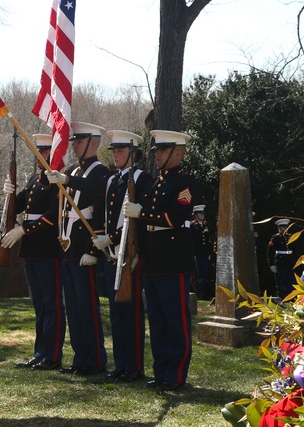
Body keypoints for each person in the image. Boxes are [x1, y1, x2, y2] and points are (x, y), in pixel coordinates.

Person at [123, 129, 199, 392]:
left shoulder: (184, 183)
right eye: (156, 151)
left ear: (178, 152)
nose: (157, 156)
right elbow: (146, 225)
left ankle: (177, 375)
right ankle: (162, 372)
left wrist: (142, 212)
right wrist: (138, 254)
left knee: (175, 319)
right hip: (153, 259)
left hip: (173, 259)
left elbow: (175, 218)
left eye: (163, 151)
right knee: (156, 318)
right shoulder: (157, 182)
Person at [46, 121, 110, 376]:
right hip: (68, 246)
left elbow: (97, 193)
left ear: (93, 143)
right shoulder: (73, 169)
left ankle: (95, 359)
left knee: (87, 307)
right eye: (74, 142)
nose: (75, 147)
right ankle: (80, 357)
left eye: (80, 142)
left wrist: (92, 251)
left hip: (85, 246)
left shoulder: (99, 171)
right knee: (73, 306)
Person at [1, 133, 65, 371]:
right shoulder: (33, 179)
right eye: (38, 151)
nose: (41, 156)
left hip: (48, 248)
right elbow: (17, 205)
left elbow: (51, 217)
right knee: (39, 304)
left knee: (52, 304)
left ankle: (53, 355)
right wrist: (8, 191)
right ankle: (40, 352)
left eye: (45, 151)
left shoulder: (57, 181)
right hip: (31, 250)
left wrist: (23, 230)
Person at [95, 130, 153, 383]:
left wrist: (120, 242)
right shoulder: (112, 180)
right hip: (113, 254)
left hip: (130, 254)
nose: (115, 155)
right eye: (114, 151)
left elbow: (140, 221)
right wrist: (104, 241)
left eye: (120, 151)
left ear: (132, 153)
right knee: (116, 312)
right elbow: (107, 216)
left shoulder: (143, 179)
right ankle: (120, 365)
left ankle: (135, 367)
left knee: (131, 312)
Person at [191, 204, 215, 301]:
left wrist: (209, 252)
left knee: (204, 275)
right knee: (197, 276)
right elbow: (191, 241)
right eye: (200, 213)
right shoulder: (192, 225)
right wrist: (193, 254)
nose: (202, 215)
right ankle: (196, 294)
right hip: (196, 254)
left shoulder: (205, 225)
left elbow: (208, 240)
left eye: (203, 213)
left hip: (204, 254)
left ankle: (202, 295)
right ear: (196, 215)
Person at [267, 218, 295, 298]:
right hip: (280, 262)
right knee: (281, 282)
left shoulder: (291, 237)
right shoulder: (275, 238)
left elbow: (296, 250)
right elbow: (270, 252)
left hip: (290, 262)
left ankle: (290, 298)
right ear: (279, 228)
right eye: (283, 227)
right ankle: (281, 297)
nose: (285, 229)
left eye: (286, 227)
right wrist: (271, 264)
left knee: (290, 282)